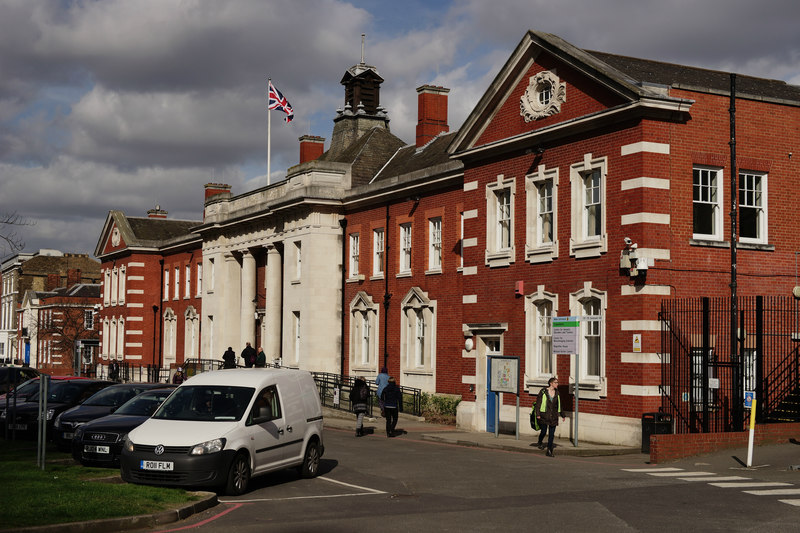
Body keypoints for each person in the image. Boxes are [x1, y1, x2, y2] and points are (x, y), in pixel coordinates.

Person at [534, 377, 566, 457]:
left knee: (551, 434)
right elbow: (538, 404)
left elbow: (559, 405)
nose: (557, 384)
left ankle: (549, 450)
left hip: (553, 416)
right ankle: (540, 441)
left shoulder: (557, 393)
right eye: (556, 382)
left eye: (557, 382)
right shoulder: (543, 392)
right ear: (551, 383)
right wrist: (537, 414)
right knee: (544, 432)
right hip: (544, 415)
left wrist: (562, 415)